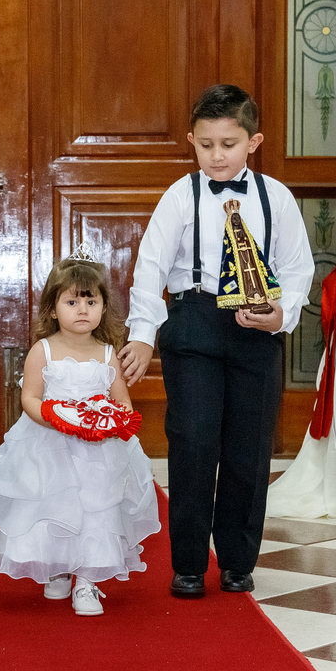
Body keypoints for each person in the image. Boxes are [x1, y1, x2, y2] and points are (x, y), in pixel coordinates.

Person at [117, 84, 314, 598]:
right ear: (191, 141)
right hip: (195, 322)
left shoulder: (278, 198)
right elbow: (150, 267)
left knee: (249, 449)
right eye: (206, 145)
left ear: (254, 142)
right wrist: (142, 335)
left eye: (228, 143)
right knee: (194, 440)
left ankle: (237, 561)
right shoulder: (181, 194)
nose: (217, 155)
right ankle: (187, 563)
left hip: (257, 330)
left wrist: (280, 316)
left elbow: (297, 269)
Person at [0, 254, 160, 616]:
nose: (82, 309)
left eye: (91, 301)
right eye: (72, 301)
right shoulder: (44, 350)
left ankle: (87, 581)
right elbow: (30, 398)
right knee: (53, 508)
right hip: (51, 444)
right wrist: (55, 418)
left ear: (103, 307)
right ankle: (57, 569)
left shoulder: (107, 354)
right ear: (54, 309)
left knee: (97, 509)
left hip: (100, 452)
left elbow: (123, 404)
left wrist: (114, 423)